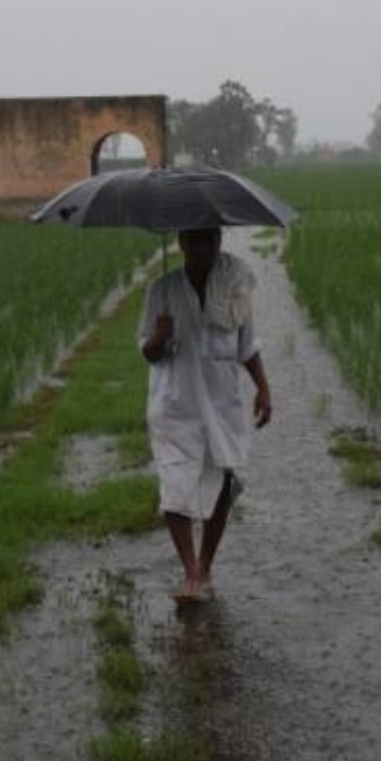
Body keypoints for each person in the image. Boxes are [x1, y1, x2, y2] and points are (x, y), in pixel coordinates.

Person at [138, 226, 272, 602]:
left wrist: (263, 387)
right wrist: (159, 338)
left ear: (219, 240)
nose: (204, 248)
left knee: (222, 484)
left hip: (221, 403)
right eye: (195, 240)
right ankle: (191, 571)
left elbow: (247, 345)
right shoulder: (160, 290)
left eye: (210, 240)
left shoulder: (234, 287)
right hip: (175, 406)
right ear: (181, 243)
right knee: (174, 488)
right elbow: (147, 353)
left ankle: (207, 565)